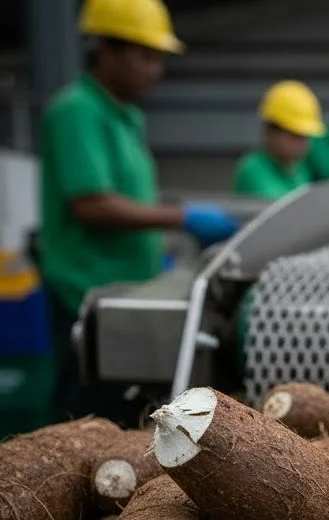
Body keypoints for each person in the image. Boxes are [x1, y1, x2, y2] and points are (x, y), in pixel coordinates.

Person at [41, 0, 237, 425]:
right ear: (106, 50)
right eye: (145, 57)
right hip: (87, 300)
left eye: (159, 59)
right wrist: (181, 218)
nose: (156, 71)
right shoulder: (76, 111)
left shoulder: (126, 117)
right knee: (86, 430)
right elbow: (91, 203)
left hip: (126, 293)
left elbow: (130, 198)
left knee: (123, 430)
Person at [233, 80, 325, 201]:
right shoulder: (252, 170)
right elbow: (278, 210)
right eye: (294, 135)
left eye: (305, 136)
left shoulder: (300, 169)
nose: (301, 143)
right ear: (271, 131)